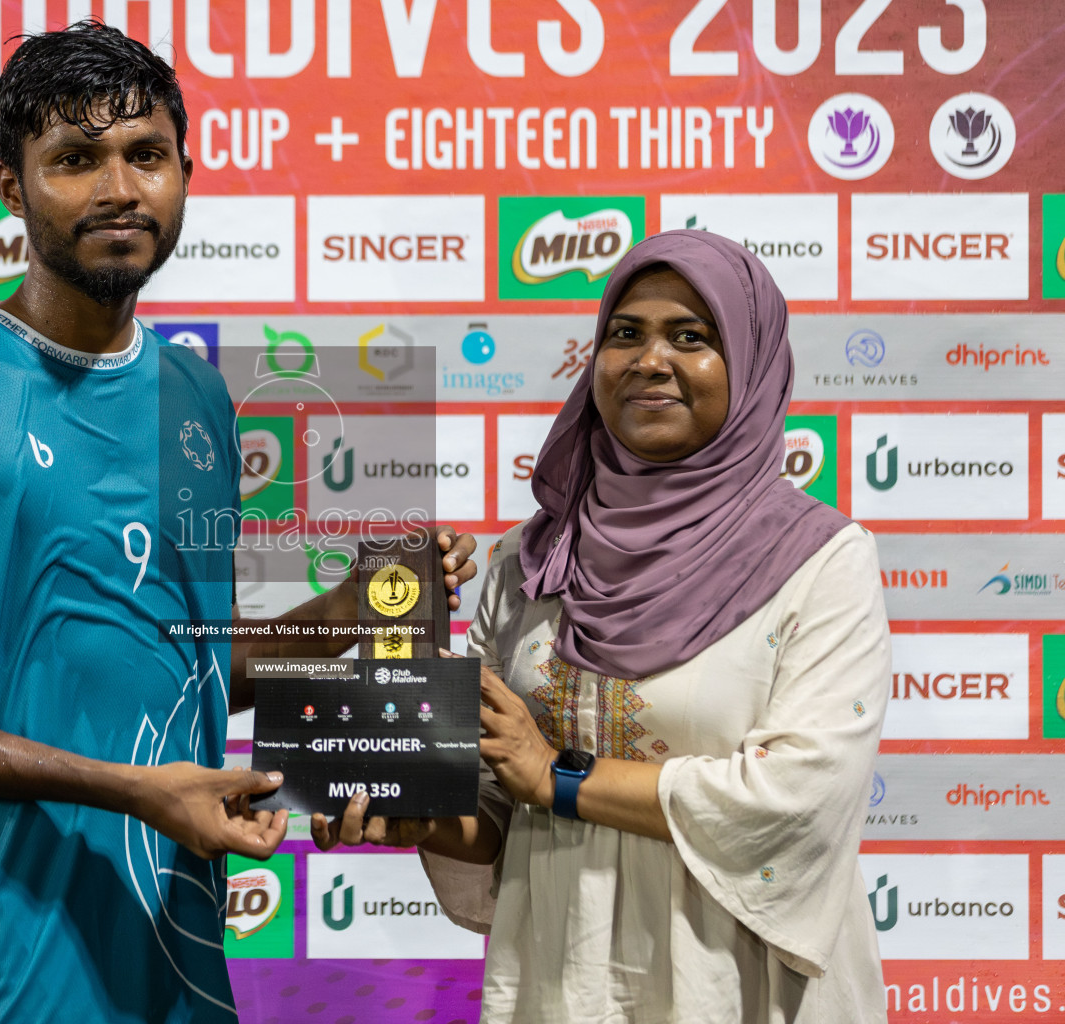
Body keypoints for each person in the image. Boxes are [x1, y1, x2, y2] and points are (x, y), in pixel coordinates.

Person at [0, 21, 476, 1024]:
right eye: (75, 160)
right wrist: (134, 790)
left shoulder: (196, 396)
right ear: (9, 184)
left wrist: (347, 610)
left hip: (177, 939)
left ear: (185, 174)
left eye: (145, 156)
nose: (120, 189)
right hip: (7, 940)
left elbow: (180, 673)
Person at [313, 231, 891, 1023]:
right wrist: (417, 811)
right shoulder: (530, 559)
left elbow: (796, 798)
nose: (650, 360)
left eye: (692, 337)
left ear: (754, 366)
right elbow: (494, 808)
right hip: (559, 974)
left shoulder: (822, 561)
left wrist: (560, 776)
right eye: (625, 335)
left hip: (732, 984)